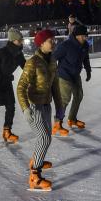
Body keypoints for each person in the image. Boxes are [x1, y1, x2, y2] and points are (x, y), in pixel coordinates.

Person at [17, 29, 63, 191]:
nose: (54, 42)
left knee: (47, 138)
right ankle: (34, 176)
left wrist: (60, 111)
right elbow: (21, 87)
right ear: (41, 43)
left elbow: (55, 87)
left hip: (46, 105)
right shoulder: (33, 62)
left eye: (54, 40)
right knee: (43, 138)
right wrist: (25, 108)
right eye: (51, 40)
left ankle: (36, 159)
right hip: (34, 105)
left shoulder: (52, 61)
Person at [52, 24, 93, 134]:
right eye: (84, 36)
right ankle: (57, 123)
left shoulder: (85, 45)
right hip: (64, 75)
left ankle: (72, 119)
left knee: (79, 96)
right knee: (64, 99)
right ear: (78, 35)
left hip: (75, 75)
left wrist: (88, 70)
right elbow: (53, 58)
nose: (85, 38)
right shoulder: (65, 45)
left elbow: (86, 58)